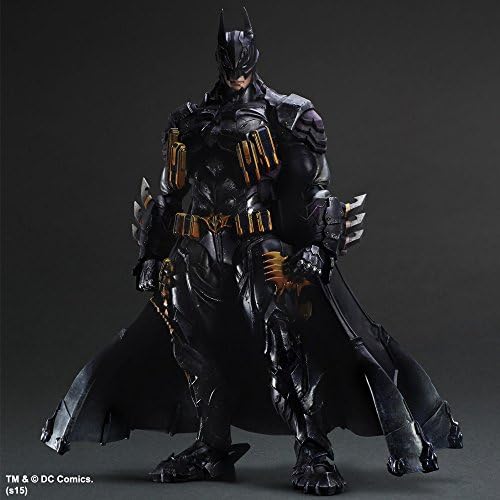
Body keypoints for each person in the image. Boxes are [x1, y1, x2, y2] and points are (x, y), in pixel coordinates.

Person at [42, 8, 463, 496]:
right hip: (196, 252)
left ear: (255, 54)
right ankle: (212, 446)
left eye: (243, 59)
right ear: (219, 59)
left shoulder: (288, 116)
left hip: (258, 249)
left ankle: (313, 449)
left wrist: (319, 248)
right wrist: (152, 256)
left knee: (283, 342)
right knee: (191, 349)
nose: (237, 69)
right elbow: (169, 196)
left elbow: (316, 190)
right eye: (229, 59)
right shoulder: (189, 121)